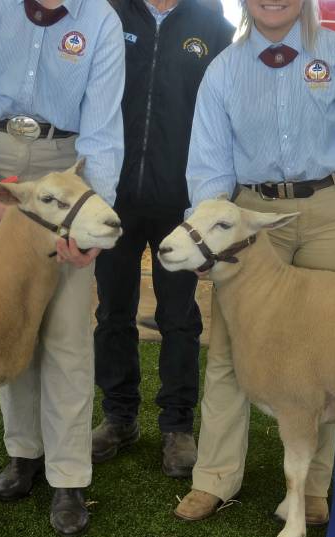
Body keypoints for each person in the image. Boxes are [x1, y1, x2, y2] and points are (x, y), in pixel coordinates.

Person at [173, 0, 335, 523]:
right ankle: (214, 477)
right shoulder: (224, 70)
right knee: (232, 349)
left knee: (331, 353)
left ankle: (313, 488)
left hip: (330, 212)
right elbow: (208, 164)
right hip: (249, 219)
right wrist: (208, 236)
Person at [0, 0, 124, 537]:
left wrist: (93, 222)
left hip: (64, 171)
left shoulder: (102, 22)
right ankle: (24, 452)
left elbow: (103, 131)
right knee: (6, 322)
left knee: (66, 329)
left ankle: (68, 475)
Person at [90, 0, 233, 479]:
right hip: (116, 198)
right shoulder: (111, 14)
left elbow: (223, 115)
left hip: (181, 202)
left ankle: (177, 424)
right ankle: (119, 415)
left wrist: (209, 201)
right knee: (112, 310)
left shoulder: (213, 25)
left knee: (179, 316)